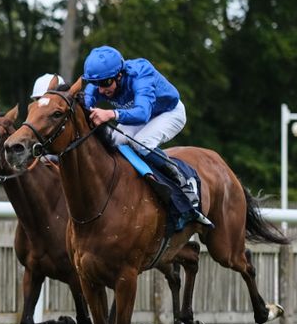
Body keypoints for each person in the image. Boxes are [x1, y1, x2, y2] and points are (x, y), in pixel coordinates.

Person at [82, 45, 211, 226]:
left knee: (142, 143)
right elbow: (87, 99)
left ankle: (182, 182)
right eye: (97, 84)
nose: (101, 90)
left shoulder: (140, 74)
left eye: (105, 84)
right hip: (143, 114)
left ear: (119, 74)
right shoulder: (102, 80)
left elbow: (142, 113)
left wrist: (110, 114)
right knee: (115, 141)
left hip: (168, 112)